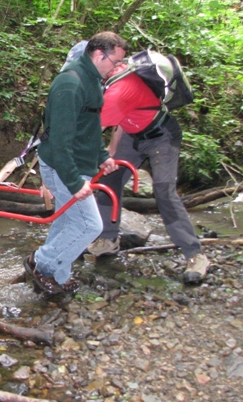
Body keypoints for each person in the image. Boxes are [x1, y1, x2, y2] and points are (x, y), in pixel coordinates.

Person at [87, 61, 210, 284]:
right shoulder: (110, 83)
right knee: (109, 181)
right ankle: (107, 240)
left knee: (164, 192)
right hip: (132, 136)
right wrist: (112, 150)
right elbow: (122, 117)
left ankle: (195, 255)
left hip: (162, 134)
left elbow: (91, 132)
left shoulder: (120, 87)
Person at [23, 32, 124, 295]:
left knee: (68, 221)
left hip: (78, 163)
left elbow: (87, 128)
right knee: (90, 225)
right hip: (62, 165)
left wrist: (102, 157)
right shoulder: (70, 84)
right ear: (98, 55)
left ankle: (58, 273)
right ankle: (42, 263)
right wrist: (74, 181)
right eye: (115, 62)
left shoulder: (93, 80)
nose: (118, 68)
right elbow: (59, 141)